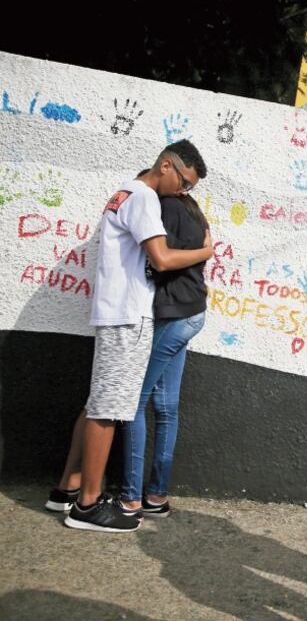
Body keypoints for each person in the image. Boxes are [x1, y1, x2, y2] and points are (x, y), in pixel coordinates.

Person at [45, 139, 213, 533]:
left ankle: (67, 489)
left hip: (113, 310)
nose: (185, 192)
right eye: (185, 182)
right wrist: (206, 253)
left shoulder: (124, 193)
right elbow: (163, 258)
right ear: (168, 166)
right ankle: (87, 506)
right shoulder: (143, 198)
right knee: (109, 408)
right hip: (128, 315)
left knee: (97, 402)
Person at [117, 192, 211, 519]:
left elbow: (162, 259)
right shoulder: (193, 211)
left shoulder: (165, 207)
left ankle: (130, 499)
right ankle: (156, 496)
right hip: (191, 312)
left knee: (134, 401)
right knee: (165, 406)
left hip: (175, 316)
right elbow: (199, 249)